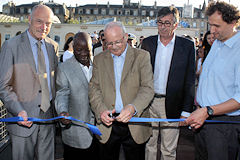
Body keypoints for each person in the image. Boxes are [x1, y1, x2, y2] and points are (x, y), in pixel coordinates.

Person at [89, 21, 154, 160]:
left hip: (135, 122)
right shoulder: (99, 59)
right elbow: (94, 88)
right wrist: (101, 110)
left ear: (125, 37)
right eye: (109, 43)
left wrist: (133, 108)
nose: (113, 47)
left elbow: (147, 88)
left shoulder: (142, 56)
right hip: (108, 124)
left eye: (117, 42)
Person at [0, 4, 58, 160]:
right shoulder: (11, 46)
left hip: (48, 118)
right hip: (22, 121)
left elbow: (54, 82)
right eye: (39, 21)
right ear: (29, 19)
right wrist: (18, 110)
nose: (44, 27)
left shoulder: (52, 47)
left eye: (48, 23)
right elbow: (3, 86)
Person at [185, 2, 240, 160]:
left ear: (233, 23)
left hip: (224, 125)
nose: (212, 31)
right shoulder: (217, 43)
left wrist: (208, 111)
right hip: (204, 120)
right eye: (210, 25)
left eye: (217, 26)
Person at [141, 6, 195, 160]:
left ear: (176, 25)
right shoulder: (147, 43)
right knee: (149, 145)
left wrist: (186, 110)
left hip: (172, 104)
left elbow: (190, 80)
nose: (163, 27)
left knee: (169, 149)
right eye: (160, 23)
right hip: (149, 103)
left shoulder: (186, 46)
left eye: (167, 23)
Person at [55, 32, 97, 160]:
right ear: (73, 48)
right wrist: (63, 111)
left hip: (101, 133)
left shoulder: (100, 64)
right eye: (79, 50)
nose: (84, 54)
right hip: (77, 135)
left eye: (87, 50)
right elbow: (62, 93)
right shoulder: (64, 68)